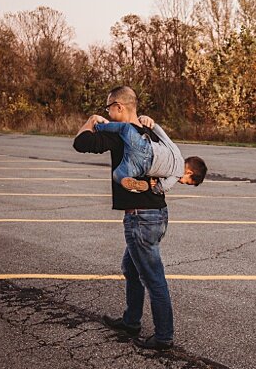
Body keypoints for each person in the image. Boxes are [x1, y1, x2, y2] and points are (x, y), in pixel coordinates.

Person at [73, 85, 204, 351]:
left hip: (140, 219)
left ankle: (164, 336)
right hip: (157, 214)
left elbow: (81, 143)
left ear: (119, 107)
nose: (106, 112)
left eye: (108, 107)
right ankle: (131, 320)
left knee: (153, 278)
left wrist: (91, 121)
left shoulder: (122, 135)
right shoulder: (149, 132)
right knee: (130, 269)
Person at [86, 87, 206, 193]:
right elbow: (164, 187)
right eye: (186, 182)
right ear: (189, 172)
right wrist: (154, 187)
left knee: (125, 128)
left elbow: (163, 136)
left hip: (146, 149)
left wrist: (153, 126)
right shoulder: (175, 175)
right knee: (118, 175)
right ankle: (134, 184)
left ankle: (98, 127)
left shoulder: (176, 151)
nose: (182, 182)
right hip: (144, 167)